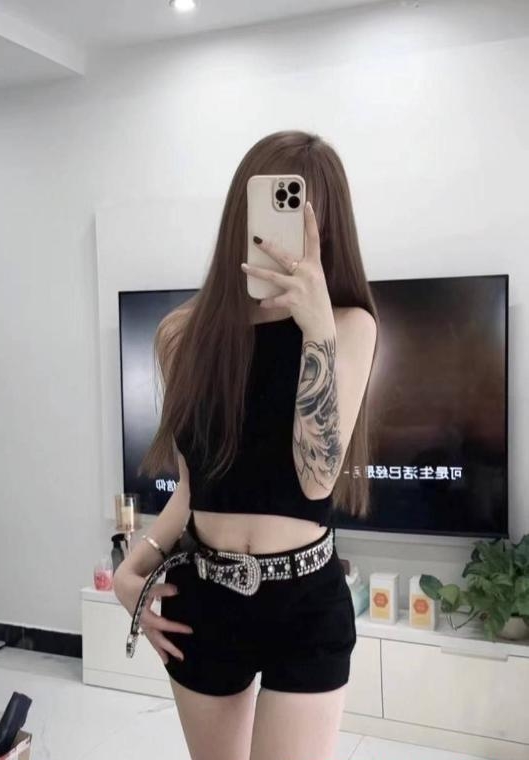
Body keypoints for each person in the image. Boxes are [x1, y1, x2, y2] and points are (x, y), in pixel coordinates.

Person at [114, 130, 379, 760]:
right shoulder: (182, 335)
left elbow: (317, 478)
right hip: (206, 595)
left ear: (329, 231)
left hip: (305, 601)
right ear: (245, 215)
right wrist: (132, 569)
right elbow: (195, 488)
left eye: (306, 219)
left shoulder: (349, 326)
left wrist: (316, 328)